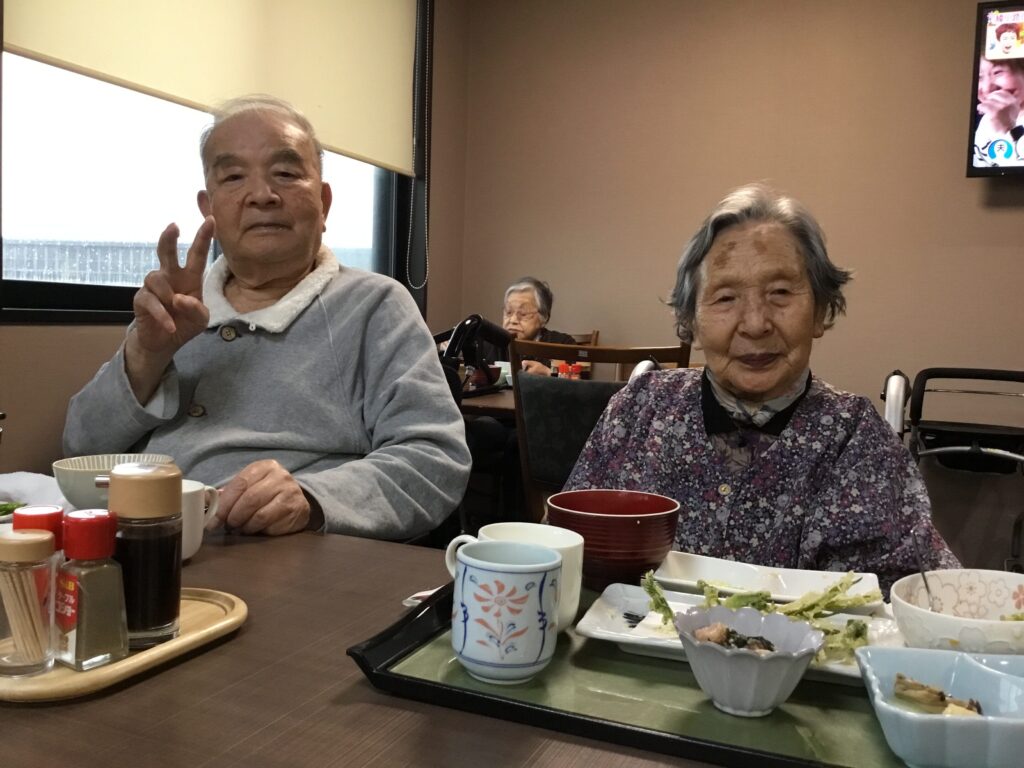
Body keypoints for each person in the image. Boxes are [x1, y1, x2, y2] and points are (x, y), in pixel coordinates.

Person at [64, 95, 470, 539]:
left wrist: (311, 498)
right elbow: (79, 450)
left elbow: (435, 459)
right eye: (234, 177)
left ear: (324, 202)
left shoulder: (374, 306)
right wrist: (146, 356)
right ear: (208, 208)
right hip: (145, 541)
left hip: (281, 554)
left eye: (286, 173)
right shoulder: (176, 308)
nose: (262, 196)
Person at [565, 184, 959, 593]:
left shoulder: (857, 439)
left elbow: (913, 597)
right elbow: (565, 552)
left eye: (780, 293)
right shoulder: (639, 409)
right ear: (691, 322)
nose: (755, 324)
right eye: (725, 298)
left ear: (820, 311)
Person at [485, 277, 577, 375]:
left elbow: (577, 381)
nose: (513, 320)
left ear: (544, 317)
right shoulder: (490, 344)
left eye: (523, 313)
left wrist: (548, 373)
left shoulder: (562, 345)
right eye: (508, 312)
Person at [974, 54, 1024, 166]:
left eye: (998, 72)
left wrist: (1009, 129)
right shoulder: (986, 121)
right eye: (980, 77)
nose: (987, 88)